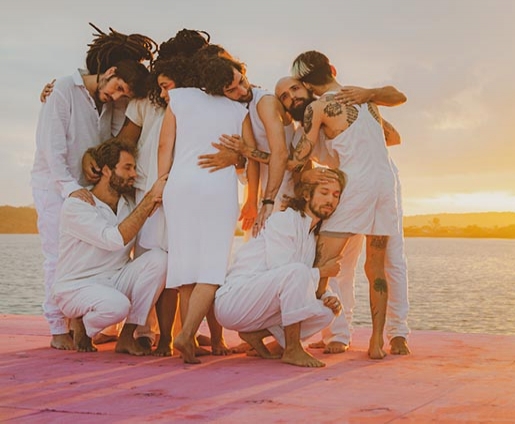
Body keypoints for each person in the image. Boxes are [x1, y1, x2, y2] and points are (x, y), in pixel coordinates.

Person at [31, 25, 155, 350]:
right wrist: (71, 189)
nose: (115, 95)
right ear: (109, 71)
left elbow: (112, 143)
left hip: (89, 188)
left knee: (101, 253)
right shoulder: (62, 89)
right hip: (57, 187)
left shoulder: (112, 103)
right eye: (116, 87)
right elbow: (51, 149)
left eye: (123, 93)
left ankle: (84, 316)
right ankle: (58, 327)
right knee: (55, 256)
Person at [287, 50, 405, 359]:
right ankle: (377, 342)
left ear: (306, 84)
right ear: (332, 69)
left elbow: (299, 157)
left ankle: (295, 338)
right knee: (376, 267)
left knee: (320, 264)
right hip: (385, 187)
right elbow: (397, 101)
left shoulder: (319, 106)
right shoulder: (364, 99)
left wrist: (256, 153)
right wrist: (372, 93)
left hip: (355, 187)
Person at [158, 53, 257, 364]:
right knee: (212, 269)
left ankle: (186, 337)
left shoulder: (180, 98)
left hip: (180, 187)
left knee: (186, 269)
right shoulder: (238, 110)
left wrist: (161, 181)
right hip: (216, 189)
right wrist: (253, 197)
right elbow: (252, 157)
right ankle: (186, 334)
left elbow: (165, 145)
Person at [214, 167, 346, 367]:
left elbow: (297, 283)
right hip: (234, 301)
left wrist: (328, 297)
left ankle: (257, 335)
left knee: (327, 312)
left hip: (260, 307)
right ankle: (293, 349)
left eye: (336, 195)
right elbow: (286, 271)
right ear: (307, 195)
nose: (331, 200)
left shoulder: (311, 236)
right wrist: (323, 272)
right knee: (296, 272)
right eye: (324, 193)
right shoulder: (285, 220)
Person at [51, 138, 167, 355]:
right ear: (106, 170)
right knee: (117, 306)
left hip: (115, 280)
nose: (134, 174)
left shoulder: (128, 204)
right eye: (127, 167)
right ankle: (82, 325)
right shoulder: (77, 205)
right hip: (77, 287)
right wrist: (151, 197)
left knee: (160, 259)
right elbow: (113, 239)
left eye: (134, 167)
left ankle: (126, 336)